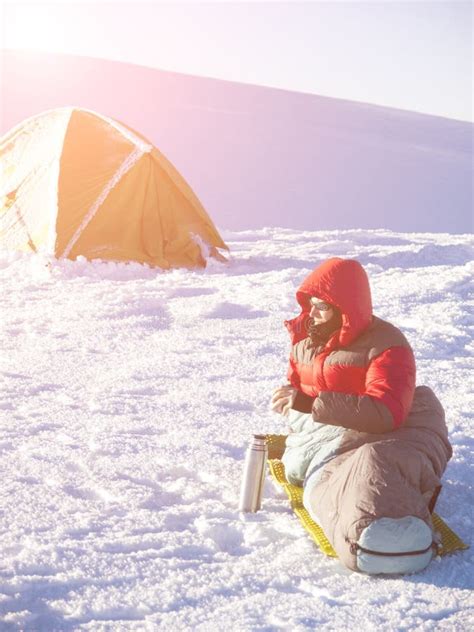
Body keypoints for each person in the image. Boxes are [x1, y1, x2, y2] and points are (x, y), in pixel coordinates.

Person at [271, 257, 452, 575]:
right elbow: (301, 392)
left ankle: (381, 524)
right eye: (310, 304)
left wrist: (309, 403)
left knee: (377, 461)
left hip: (396, 422)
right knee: (336, 469)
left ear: (346, 309)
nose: (312, 313)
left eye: (322, 307)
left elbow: (386, 412)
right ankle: (369, 527)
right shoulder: (305, 341)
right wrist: (299, 403)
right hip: (331, 430)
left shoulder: (387, 346)